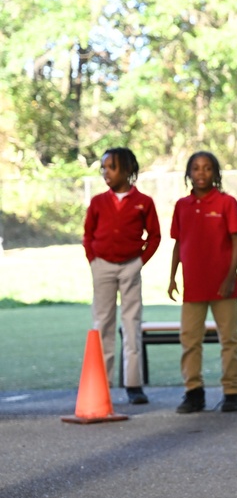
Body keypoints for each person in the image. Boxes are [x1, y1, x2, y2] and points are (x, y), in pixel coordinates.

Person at [168, 151, 237, 414]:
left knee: (229, 340)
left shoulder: (227, 202)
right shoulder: (181, 205)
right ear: (188, 173)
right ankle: (193, 392)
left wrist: (230, 276)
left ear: (216, 173)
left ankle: (232, 392)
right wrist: (172, 277)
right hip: (193, 286)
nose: (201, 173)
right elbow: (179, 243)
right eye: (196, 168)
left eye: (207, 168)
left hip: (224, 285)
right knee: (189, 340)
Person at [83, 147, 161, 405]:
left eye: (111, 167)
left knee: (131, 323)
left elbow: (154, 236)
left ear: (128, 170)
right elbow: (88, 234)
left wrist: (139, 261)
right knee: (102, 323)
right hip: (102, 266)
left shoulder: (144, 202)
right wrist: (93, 261)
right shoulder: (98, 202)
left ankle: (133, 384)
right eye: (103, 168)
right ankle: (101, 384)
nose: (106, 172)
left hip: (130, 266)